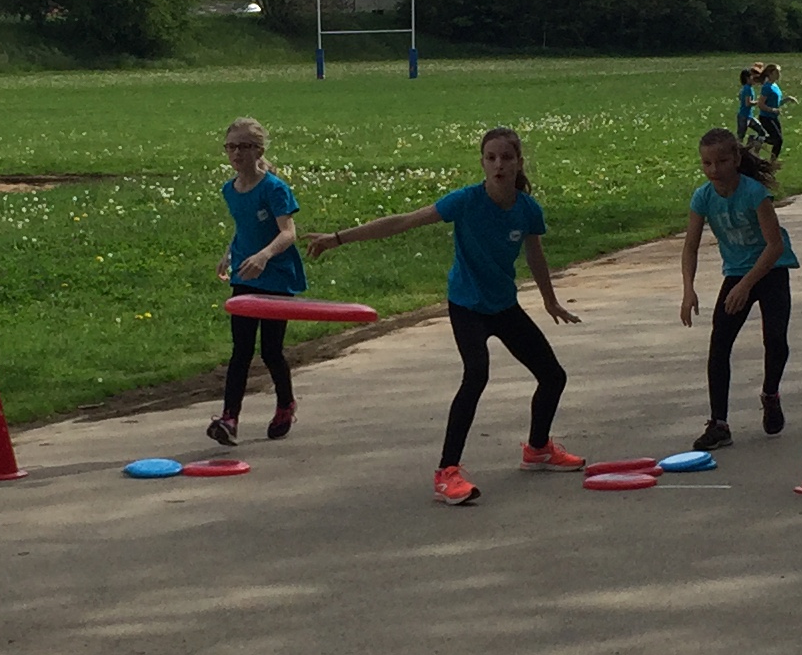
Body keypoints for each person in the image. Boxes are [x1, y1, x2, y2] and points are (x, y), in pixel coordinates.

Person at [308, 126, 583, 504]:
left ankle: (537, 450)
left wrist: (550, 301)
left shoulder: (527, 209)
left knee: (553, 376)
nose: (499, 165)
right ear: (482, 163)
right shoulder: (465, 201)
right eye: (491, 158)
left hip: (504, 305)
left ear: (519, 162)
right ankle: (446, 472)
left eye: (506, 158)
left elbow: (534, 253)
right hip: (467, 305)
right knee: (476, 375)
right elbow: (404, 221)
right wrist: (338, 238)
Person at [678, 128, 795, 451]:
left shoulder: (754, 194)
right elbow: (690, 247)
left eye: (722, 162)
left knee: (775, 339)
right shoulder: (703, 197)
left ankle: (770, 394)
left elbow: (774, 246)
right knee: (719, 344)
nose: (714, 170)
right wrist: (688, 290)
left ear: (736, 160)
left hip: (771, 269)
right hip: (737, 272)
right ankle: (719, 423)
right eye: (707, 163)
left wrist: (746, 285)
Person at [209, 116, 304, 446]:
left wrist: (264, 256)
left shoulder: (274, 188)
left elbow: (288, 233)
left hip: (276, 277)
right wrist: (229, 253)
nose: (237, 153)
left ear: (259, 151)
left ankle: (285, 405)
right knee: (241, 350)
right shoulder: (230, 189)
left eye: (245, 146)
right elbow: (244, 226)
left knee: (271, 350)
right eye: (231, 147)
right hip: (245, 274)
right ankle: (229, 419)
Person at [755, 64, 787, 161]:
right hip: (766, 117)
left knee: (778, 140)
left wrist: (787, 99)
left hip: (773, 117)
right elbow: (760, 104)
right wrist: (772, 110)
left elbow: (776, 103)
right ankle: (772, 161)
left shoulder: (775, 86)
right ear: (770, 74)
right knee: (778, 139)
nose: (779, 74)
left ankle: (772, 161)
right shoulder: (767, 87)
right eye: (776, 72)